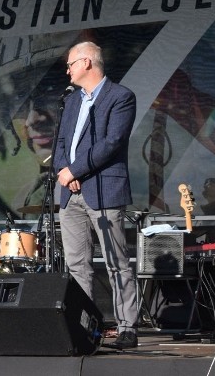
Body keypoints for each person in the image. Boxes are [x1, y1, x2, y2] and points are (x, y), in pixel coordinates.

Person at [54, 42, 139, 349]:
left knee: (117, 261)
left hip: (104, 188)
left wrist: (74, 171)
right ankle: (84, 327)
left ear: (87, 62)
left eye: (71, 64)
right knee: (77, 264)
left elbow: (112, 142)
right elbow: (61, 143)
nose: (67, 70)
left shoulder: (120, 97)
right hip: (71, 192)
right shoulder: (72, 101)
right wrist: (66, 170)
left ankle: (128, 327)